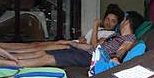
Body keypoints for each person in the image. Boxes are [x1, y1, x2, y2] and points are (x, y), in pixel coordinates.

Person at [13, 11, 145, 68]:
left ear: (127, 22)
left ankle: (2, 62)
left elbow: (124, 49)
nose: (121, 23)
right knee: (42, 54)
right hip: (87, 53)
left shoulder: (130, 39)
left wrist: (116, 58)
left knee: (44, 57)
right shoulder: (117, 36)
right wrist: (73, 44)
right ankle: (6, 58)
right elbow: (93, 47)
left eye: (122, 20)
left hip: (89, 59)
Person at [0, 4, 125, 53]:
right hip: (75, 44)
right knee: (37, 45)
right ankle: (1, 47)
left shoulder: (111, 35)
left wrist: (95, 26)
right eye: (107, 19)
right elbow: (87, 39)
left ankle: (4, 50)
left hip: (76, 49)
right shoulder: (102, 30)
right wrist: (82, 38)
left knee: (38, 47)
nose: (109, 23)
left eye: (113, 21)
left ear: (117, 24)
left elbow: (94, 46)